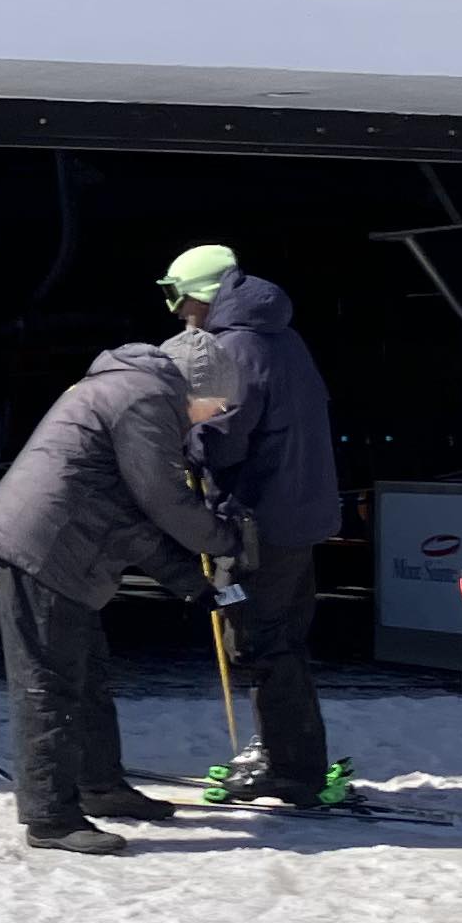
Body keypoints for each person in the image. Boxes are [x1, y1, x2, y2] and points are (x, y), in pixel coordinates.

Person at [0, 331, 252, 856]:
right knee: (48, 684)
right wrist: (226, 539)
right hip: (45, 547)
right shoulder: (145, 398)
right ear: (197, 387)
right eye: (217, 405)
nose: (214, 417)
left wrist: (193, 585)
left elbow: (129, 519)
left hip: (68, 545)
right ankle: (50, 817)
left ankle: (99, 785)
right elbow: (162, 502)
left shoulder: (130, 392)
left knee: (88, 677)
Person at [168, 246, 346, 811]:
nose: (177, 311)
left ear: (204, 293)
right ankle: (293, 753)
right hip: (299, 515)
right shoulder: (284, 340)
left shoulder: (235, 346)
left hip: (259, 520)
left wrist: (184, 445)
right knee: (286, 640)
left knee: (260, 644)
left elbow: (223, 433)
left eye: (180, 297)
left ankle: (293, 769)